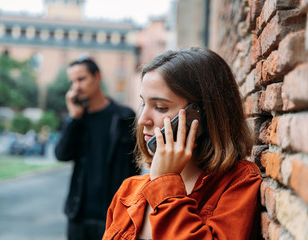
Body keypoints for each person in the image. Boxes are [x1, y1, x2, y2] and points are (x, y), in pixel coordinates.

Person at [103, 48, 262, 240]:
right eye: (143, 104)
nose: (142, 120)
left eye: (161, 107)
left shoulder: (239, 183)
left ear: (202, 115)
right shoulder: (128, 192)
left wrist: (165, 183)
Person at [54, 56, 139, 240]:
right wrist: (73, 118)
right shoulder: (78, 120)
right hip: (78, 215)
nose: (76, 86)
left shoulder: (124, 116)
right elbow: (61, 154)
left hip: (113, 216)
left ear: (97, 77)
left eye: (81, 79)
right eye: (72, 82)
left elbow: (136, 166)